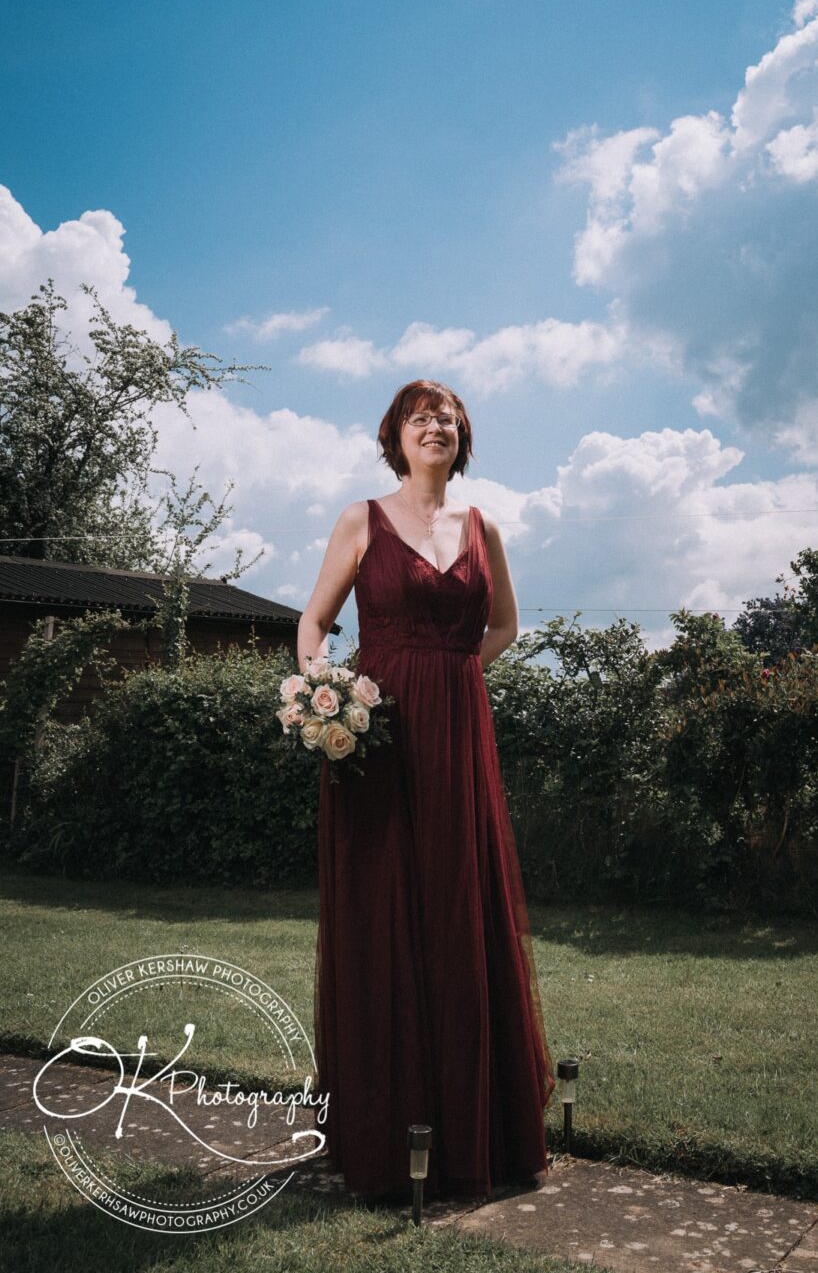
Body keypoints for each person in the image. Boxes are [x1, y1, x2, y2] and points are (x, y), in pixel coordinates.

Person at [298, 378, 556, 1202]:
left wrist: (453, 674)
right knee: (385, 908)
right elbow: (313, 623)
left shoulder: (484, 528)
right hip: (377, 737)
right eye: (419, 417)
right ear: (395, 437)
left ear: (461, 437)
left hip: (458, 728)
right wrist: (326, 692)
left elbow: (503, 625)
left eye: (446, 417)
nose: (433, 426)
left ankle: (481, 1130)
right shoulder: (361, 520)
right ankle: (382, 1128)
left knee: (459, 903)